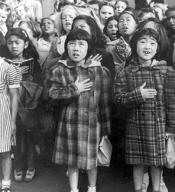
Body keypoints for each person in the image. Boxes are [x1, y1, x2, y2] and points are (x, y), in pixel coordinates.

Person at [114, 28, 175, 192]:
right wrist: (137, 95)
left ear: (157, 47)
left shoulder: (166, 71)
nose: (147, 46)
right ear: (135, 45)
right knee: (138, 162)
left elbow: (172, 103)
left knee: (157, 163)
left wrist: (170, 130)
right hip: (135, 126)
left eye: (152, 42)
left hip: (158, 126)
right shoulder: (126, 72)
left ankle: (156, 189)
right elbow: (117, 99)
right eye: (142, 41)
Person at [48, 29, 111, 192]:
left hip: (91, 123)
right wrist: (74, 88)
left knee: (91, 160)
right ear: (66, 47)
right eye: (72, 44)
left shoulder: (98, 71)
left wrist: (105, 128)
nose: (76, 48)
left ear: (88, 48)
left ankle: (92, 187)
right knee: (72, 161)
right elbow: (52, 95)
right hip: (68, 123)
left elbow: (103, 102)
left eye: (81, 44)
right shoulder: (59, 69)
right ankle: (74, 189)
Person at [0, 28, 42, 183]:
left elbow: (39, 84)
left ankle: (30, 166)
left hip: (29, 105)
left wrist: (26, 81)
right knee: (15, 138)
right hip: (10, 106)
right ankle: (18, 166)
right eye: (10, 43)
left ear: (25, 44)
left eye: (17, 42)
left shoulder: (33, 63)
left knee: (29, 136)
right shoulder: (4, 63)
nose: (13, 46)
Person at [0, 57, 21, 192]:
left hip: (2, 113)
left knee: (4, 150)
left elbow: (14, 96)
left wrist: (13, 121)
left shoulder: (7, 67)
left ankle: (6, 182)